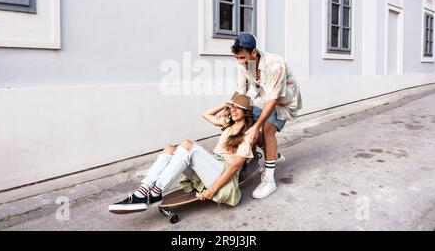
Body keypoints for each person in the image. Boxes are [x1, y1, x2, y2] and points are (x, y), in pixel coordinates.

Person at [108, 93, 256, 213]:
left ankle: (156, 191)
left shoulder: (248, 134)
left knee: (187, 145)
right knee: (169, 149)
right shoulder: (227, 123)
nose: (234, 110)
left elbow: (234, 167)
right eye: (232, 107)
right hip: (211, 167)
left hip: (223, 177)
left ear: (247, 112)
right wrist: (227, 103)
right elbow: (205, 114)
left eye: (239, 108)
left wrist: (212, 189)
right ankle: (143, 191)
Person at [231, 32, 302, 199]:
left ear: (254, 52)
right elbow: (241, 93)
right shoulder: (246, 65)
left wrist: (257, 127)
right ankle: (274, 155)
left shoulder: (275, 64)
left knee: (266, 129)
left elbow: (273, 99)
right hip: (264, 99)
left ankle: (270, 181)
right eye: (237, 58)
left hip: (284, 102)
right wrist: (230, 111)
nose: (239, 62)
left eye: (242, 58)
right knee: (244, 119)